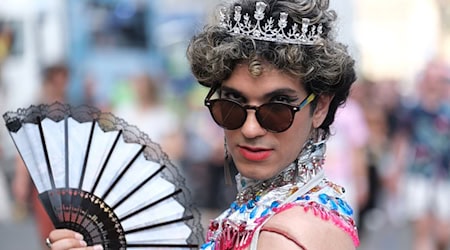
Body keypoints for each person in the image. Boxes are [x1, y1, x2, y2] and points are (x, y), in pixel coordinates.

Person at [46, 0, 359, 249]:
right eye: (232, 106)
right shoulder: (294, 205)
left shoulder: (286, 237)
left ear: (319, 107)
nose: (250, 129)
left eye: (276, 109)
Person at [388, 59, 450, 250]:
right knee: (422, 230)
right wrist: (395, 170)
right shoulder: (412, 111)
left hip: (445, 175)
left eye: (439, 80)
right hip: (418, 174)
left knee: (443, 232)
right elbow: (401, 141)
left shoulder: (447, 111)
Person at [12, 62, 69, 249]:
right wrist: (21, 179)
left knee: (69, 232)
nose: (62, 83)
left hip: (69, 180)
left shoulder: (73, 107)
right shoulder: (35, 112)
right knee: (48, 233)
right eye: (57, 79)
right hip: (45, 180)